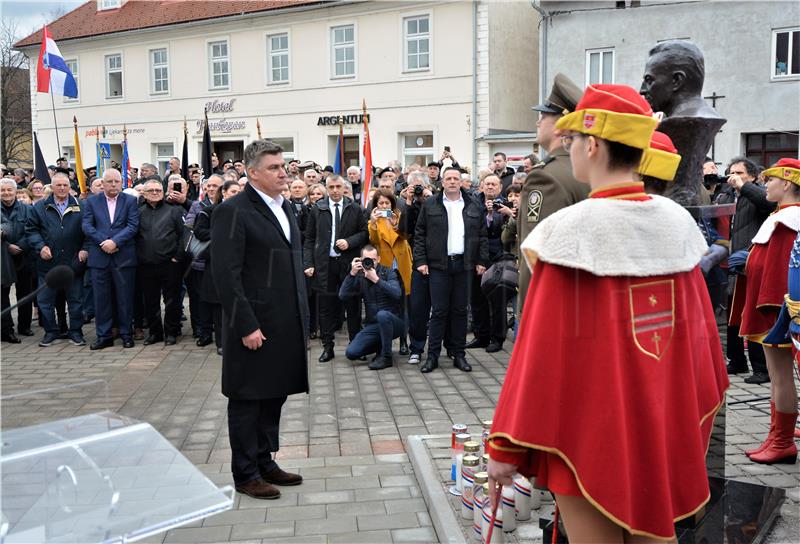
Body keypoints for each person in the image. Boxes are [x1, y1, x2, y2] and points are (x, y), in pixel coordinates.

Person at [486, 84, 728, 542]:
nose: (568, 146)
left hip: (590, 433)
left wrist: (504, 444)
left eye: (572, 139)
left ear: (592, 145)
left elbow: (538, 358)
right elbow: (700, 348)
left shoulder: (567, 234)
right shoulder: (678, 226)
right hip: (660, 424)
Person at [210, 139, 308, 500]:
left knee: (273, 396)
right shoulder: (233, 211)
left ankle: (266, 461)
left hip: (284, 322)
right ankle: (245, 473)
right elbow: (226, 275)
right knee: (248, 399)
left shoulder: (286, 207)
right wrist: (246, 325)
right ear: (252, 173)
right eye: (274, 168)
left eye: (283, 166)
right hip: (252, 326)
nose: (283, 173)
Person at [732, 158, 800, 465]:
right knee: (778, 378)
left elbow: (785, 272)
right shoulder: (782, 216)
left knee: (781, 377)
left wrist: (775, 316)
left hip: (777, 312)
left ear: (786, 183)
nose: (765, 185)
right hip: (775, 310)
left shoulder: (789, 220)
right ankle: (778, 435)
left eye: (769, 180)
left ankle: (782, 439)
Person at [517, 73, 588, 315]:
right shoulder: (590, 170)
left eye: (544, 116)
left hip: (549, 309)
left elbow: (536, 259)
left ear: (562, 126)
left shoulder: (545, 177)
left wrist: (527, 314)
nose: (538, 122)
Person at [413, 167, 489, 373]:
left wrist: (482, 260)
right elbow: (420, 234)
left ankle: (459, 353)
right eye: (449, 178)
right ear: (442, 182)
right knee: (438, 311)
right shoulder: (430, 204)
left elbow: (482, 235)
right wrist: (420, 260)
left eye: (456, 178)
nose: (453, 182)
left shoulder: (473, 204)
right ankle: (432, 356)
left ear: (461, 182)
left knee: (460, 311)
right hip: (438, 265)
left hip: (464, 265)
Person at [303, 175, 368, 362]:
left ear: (344, 187)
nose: (335, 190)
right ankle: (328, 347)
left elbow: (365, 234)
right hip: (325, 265)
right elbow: (309, 239)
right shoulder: (318, 209)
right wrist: (308, 263)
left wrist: (349, 242)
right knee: (326, 308)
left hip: (349, 266)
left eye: (338, 186)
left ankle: (356, 346)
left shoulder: (355, 208)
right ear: (326, 188)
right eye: (331, 187)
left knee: (353, 306)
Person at [723, 157, 775, 384]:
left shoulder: (758, 193)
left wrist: (744, 187)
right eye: (731, 172)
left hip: (751, 264)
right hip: (731, 264)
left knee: (753, 315)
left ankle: (761, 368)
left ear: (753, 176)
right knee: (732, 314)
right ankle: (736, 361)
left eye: (740, 173)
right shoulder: (726, 196)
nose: (733, 177)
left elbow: (769, 204)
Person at [25, 172, 88, 346]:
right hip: (48, 264)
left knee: (75, 301)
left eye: (65, 185)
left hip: (73, 264)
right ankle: (51, 332)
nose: (61, 188)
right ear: (51, 187)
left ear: (70, 187)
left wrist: (85, 250)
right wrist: (40, 246)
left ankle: (76, 331)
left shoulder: (81, 206)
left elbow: (89, 232)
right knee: (45, 301)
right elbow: (31, 230)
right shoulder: (39, 207)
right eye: (58, 185)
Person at [82, 169, 140, 350]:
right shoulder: (91, 201)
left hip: (123, 257)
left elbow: (133, 226)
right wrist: (103, 242)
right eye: (109, 181)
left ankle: (126, 334)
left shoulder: (130, 201)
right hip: (100, 257)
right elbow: (86, 225)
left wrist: (115, 242)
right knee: (101, 299)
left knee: (125, 298)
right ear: (103, 183)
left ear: (121, 183)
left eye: (116, 181)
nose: (113, 184)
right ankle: (104, 335)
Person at [135, 180, 185, 346]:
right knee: (150, 301)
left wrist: (177, 257)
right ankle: (155, 333)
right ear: (144, 193)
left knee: (172, 300)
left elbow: (182, 236)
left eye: (158, 190)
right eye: (151, 190)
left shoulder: (174, 210)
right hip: (146, 265)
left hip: (169, 264)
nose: (155, 192)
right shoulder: (139, 212)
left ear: (163, 192)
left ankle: (171, 332)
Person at [195, 179, 241, 355]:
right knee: (219, 306)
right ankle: (221, 343)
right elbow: (199, 231)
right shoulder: (209, 211)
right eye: (233, 192)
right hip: (215, 263)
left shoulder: (243, 212)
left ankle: (236, 340)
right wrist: (221, 235)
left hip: (237, 264)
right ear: (224, 193)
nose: (236, 195)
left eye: (239, 192)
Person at [339, 245, 404, 370]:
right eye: (366, 260)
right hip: (374, 325)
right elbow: (343, 295)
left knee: (382, 315)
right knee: (351, 353)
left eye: (373, 260)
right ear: (360, 260)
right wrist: (351, 274)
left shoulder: (388, 272)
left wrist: (376, 280)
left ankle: (386, 357)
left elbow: (397, 293)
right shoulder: (359, 276)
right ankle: (380, 345)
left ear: (379, 259)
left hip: (394, 323)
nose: (370, 263)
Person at [368, 191, 412, 354]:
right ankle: (385, 341)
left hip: (402, 263)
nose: (384, 206)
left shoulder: (399, 216)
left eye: (387, 203)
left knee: (405, 305)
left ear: (392, 205)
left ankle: (404, 341)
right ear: (376, 205)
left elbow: (406, 236)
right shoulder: (374, 221)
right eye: (381, 204)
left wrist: (395, 224)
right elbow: (373, 241)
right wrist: (373, 223)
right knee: (390, 302)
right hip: (386, 264)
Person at [1, 179, 35, 342]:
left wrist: (20, 245)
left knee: (25, 292)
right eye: (2, 190)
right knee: (3, 295)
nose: (6, 193)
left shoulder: (27, 209)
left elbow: (32, 230)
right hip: (3, 257)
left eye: (9, 190)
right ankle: (6, 328)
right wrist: (7, 246)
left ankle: (24, 326)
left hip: (24, 255)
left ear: (16, 192)